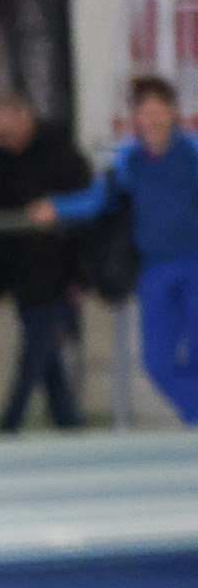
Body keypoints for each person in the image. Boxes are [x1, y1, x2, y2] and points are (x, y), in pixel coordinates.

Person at [36, 75, 198, 423]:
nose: (152, 119)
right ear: (136, 118)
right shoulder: (129, 161)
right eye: (144, 112)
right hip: (154, 271)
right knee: (157, 362)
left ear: (174, 113)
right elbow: (98, 200)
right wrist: (58, 208)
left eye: (159, 110)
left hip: (195, 265)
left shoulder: (192, 153)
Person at [0, 89, 96, 433]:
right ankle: (68, 420)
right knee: (44, 348)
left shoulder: (59, 153)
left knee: (37, 342)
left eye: (9, 129)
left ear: (26, 118)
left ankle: (11, 419)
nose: (4, 138)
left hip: (57, 268)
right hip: (22, 270)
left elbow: (85, 207)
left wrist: (82, 274)